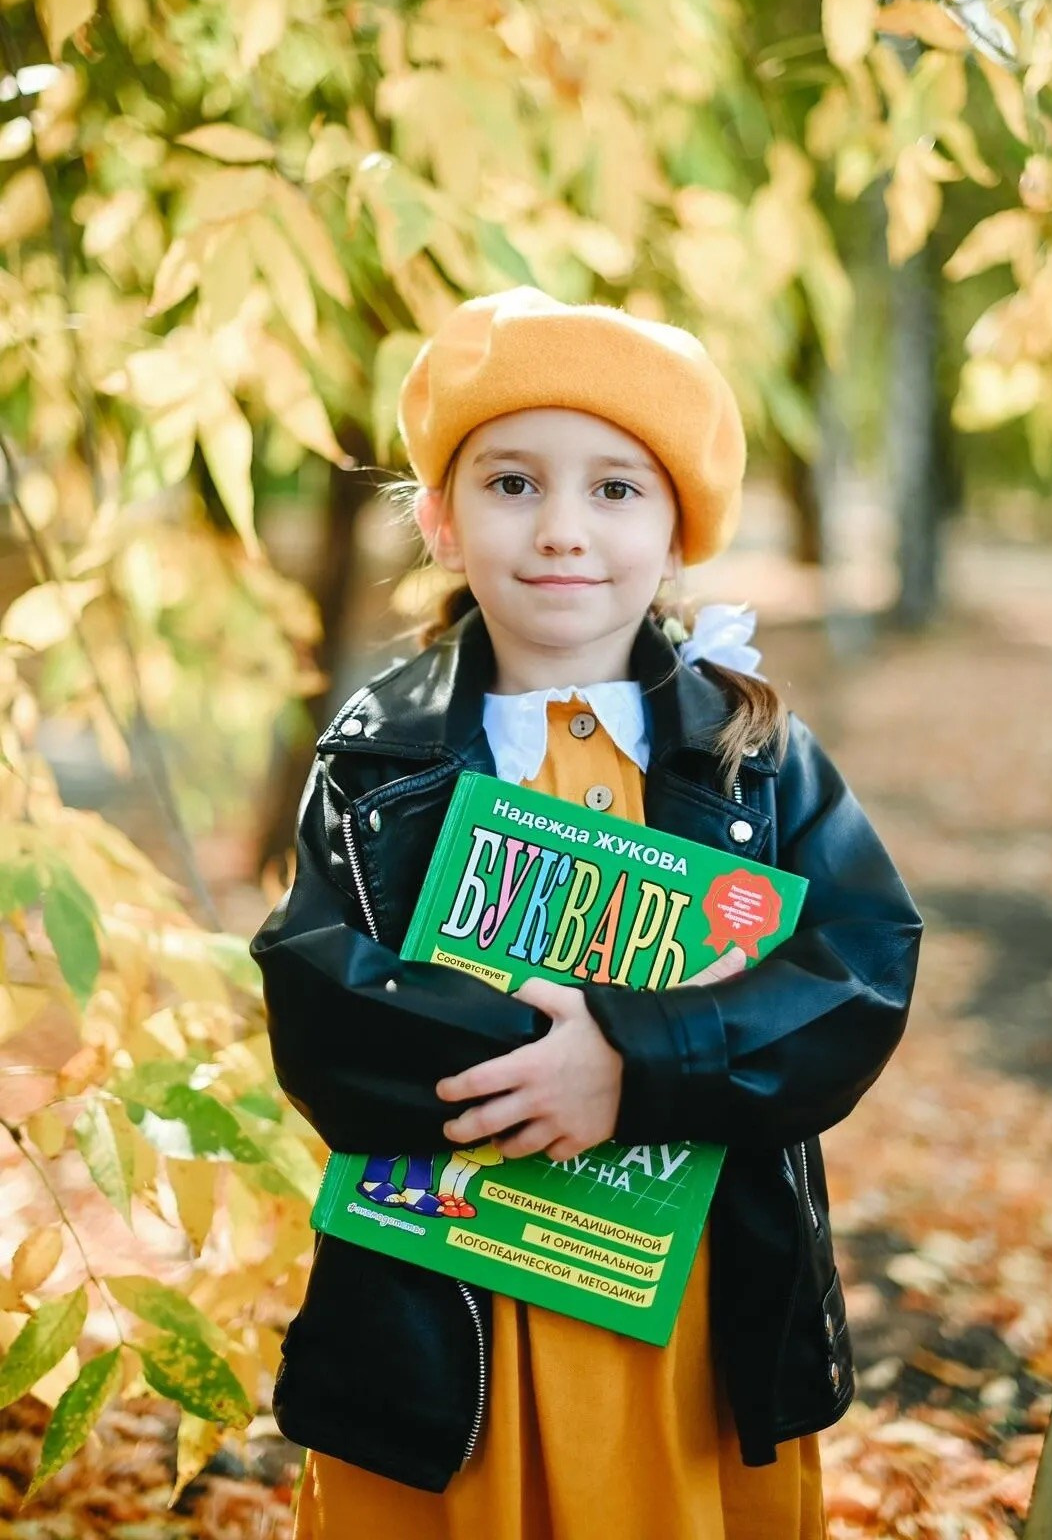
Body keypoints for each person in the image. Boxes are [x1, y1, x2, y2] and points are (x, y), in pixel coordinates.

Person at [251, 287, 923, 1539]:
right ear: (442, 520)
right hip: (443, 1311)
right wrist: (530, 1074)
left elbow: (862, 963)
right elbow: (316, 989)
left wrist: (631, 1064)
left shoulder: (751, 757)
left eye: (615, 489)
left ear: (678, 533)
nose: (562, 528)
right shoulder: (376, 760)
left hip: (683, 1312)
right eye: (512, 483)